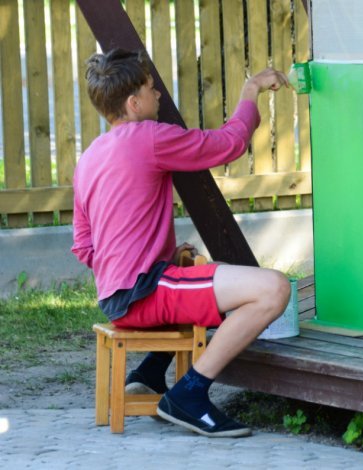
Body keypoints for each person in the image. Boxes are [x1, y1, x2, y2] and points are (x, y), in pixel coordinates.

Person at [71, 48, 292, 438]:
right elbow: (229, 143)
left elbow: (85, 247)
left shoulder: (88, 158)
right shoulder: (149, 138)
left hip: (116, 296)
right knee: (273, 289)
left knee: (200, 272)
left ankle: (149, 374)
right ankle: (189, 394)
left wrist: (137, 259)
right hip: (145, 292)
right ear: (134, 103)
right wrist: (251, 88)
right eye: (151, 88)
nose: (158, 94)